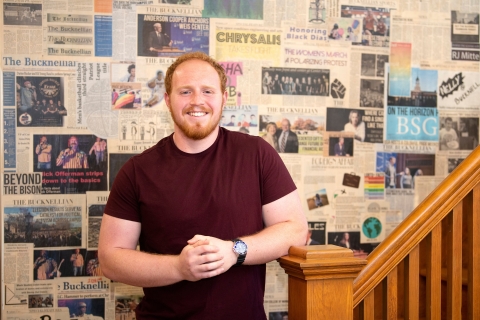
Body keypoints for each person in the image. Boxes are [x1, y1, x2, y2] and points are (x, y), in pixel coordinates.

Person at [98, 52, 307, 319]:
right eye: (185, 91)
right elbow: (111, 260)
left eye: (207, 91)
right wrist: (179, 268)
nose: (197, 101)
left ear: (223, 99)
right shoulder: (137, 171)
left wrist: (234, 251)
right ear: (167, 100)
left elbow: (296, 230)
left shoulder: (257, 154)